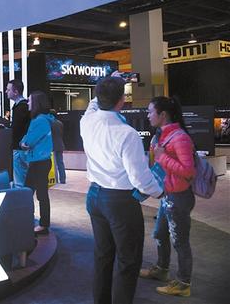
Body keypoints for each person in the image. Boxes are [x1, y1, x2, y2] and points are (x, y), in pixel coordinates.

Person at [80, 75, 163, 304]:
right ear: (122, 100)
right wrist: (160, 191)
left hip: (94, 197)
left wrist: (109, 81)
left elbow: (92, 105)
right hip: (120, 202)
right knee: (128, 260)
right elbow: (139, 178)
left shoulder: (87, 122)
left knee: (103, 256)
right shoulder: (127, 133)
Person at [139, 96, 195, 297]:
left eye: (150, 111)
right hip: (168, 195)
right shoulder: (162, 136)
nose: (148, 115)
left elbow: (188, 171)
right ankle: (162, 270)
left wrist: (162, 157)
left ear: (162, 114)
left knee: (180, 241)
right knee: (160, 234)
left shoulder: (179, 138)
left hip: (179, 197)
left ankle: (183, 284)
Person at [18, 91, 54, 234]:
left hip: (39, 162)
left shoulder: (39, 121)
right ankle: (40, 223)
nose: (27, 103)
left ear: (36, 103)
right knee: (35, 193)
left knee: (35, 193)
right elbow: (25, 139)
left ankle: (42, 225)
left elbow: (28, 141)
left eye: (29, 100)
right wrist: (24, 142)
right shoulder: (43, 119)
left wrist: (24, 143)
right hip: (39, 161)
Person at [6, 79, 30, 187]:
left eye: (8, 90)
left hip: (20, 149)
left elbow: (18, 128)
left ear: (16, 92)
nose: (6, 92)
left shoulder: (21, 107)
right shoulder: (20, 106)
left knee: (19, 182)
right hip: (21, 148)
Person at [50, 109, 66, 184]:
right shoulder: (60, 123)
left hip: (52, 146)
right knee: (60, 163)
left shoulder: (49, 123)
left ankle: (54, 179)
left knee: (52, 164)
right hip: (60, 145)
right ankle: (63, 179)